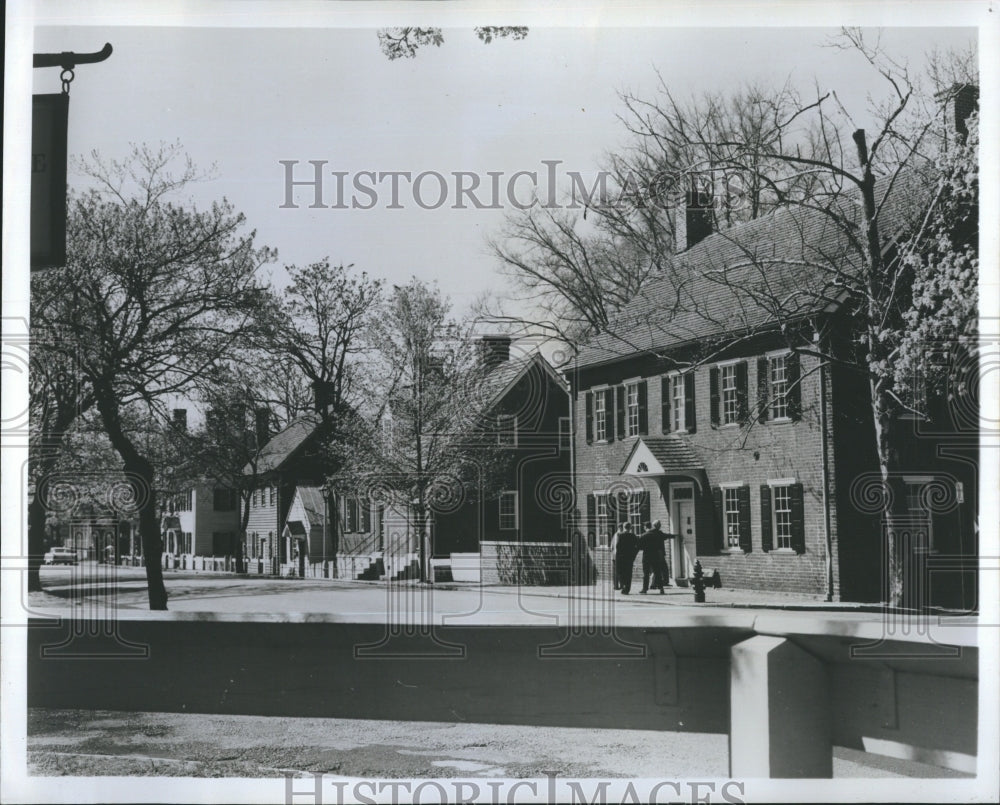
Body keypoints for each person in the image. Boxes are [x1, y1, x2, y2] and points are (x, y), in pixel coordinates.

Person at [639, 520, 672, 594]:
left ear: (645, 527)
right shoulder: (657, 534)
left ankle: (644, 589)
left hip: (647, 556)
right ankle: (661, 589)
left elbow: (640, 547)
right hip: (655, 555)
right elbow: (664, 538)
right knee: (657, 572)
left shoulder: (644, 535)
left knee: (646, 573)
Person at [613, 521, 639, 594]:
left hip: (621, 557)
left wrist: (617, 557)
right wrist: (633, 555)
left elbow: (618, 547)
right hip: (629, 557)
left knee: (620, 572)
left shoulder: (620, 535)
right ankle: (627, 588)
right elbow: (637, 547)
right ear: (630, 528)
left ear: (624, 527)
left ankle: (623, 585)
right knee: (628, 573)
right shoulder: (633, 536)